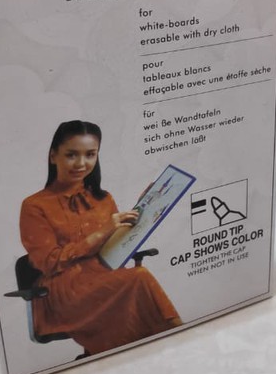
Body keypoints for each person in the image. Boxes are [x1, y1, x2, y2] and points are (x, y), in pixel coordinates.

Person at [19, 120, 182, 356]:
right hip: (63, 290)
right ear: (53, 156)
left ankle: (166, 344)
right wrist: (101, 232)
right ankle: (178, 337)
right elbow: (48, 263)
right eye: (71, 155)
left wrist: (143, 209)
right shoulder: (34, 206)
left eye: (90, 154)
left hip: (103, 276)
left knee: (135, 280)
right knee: (139, 277)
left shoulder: (104, 199)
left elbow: (114, 247)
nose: (81, 163)